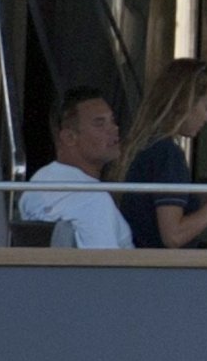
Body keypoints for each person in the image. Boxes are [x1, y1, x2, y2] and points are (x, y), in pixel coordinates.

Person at [114, 58, 207, 248]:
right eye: (206, 107)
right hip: (161, 265)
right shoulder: (167, 154)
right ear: (185, 102)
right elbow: (174, 235)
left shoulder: (143, 147)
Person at [19, 87, 134, 248]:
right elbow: (104, 262)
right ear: (69, 137)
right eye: (99, 123)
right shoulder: (94, 200)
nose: (114, 129)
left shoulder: (38, 182)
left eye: (113, 121)